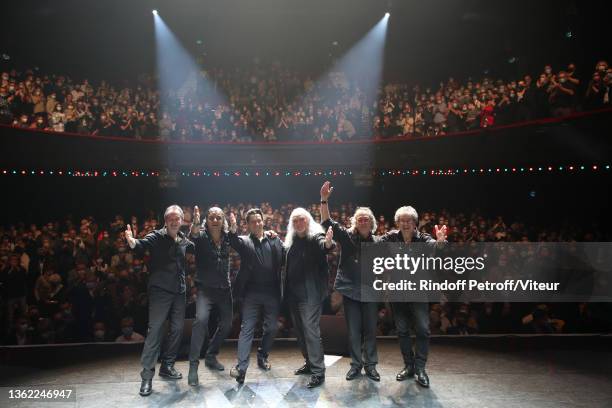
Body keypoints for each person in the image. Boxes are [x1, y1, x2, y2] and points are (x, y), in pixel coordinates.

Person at [125, 205, 194, 397]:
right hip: (160, 291)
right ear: (166, 220)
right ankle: (147, 377)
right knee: (155, 331)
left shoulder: (182, 238)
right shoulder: (156, 236)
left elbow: (198, 247)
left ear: (181, 221)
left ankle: (167, 366)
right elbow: (142, 244)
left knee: (178, 330)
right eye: (170, 218)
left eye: (177, 218)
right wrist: (132, 242)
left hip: (179, 292)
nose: (174, 221)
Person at [319, 181, 381, 382]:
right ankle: (356, 365)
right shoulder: (346, 237)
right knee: (354, 331)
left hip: (371, 290)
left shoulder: (380, 242)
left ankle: (370, 366)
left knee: (370, 330)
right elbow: (327, 222)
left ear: (371, 223)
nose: (363, 221)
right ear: (355, 221)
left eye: (366, 219)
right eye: (360, 219)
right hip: (351, 290)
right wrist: (324, 200)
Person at [380, 206, 447, 388]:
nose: (405, 223)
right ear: (397, 223)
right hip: (397, 291)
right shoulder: (391, 237)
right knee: (402, 330)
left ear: (415, 222)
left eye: (409, 220)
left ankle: (420, 369)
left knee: (423, 329)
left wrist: (440, 242)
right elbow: (372, 242)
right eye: (402, 220)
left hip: (418, 291)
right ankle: (408, 366)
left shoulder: (424, 239)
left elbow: (436, 246)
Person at [228, 209, 285, 384]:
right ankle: (241, 368)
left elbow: (285, 256)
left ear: (263, 221)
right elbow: (232, 241)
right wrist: (232, 228)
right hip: (251, 293)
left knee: (272, 328)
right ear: (248, 225)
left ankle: (262, 355)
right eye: (253, 221)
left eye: (259, 220)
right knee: (247, 329)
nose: (257, 223)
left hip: (271, 292)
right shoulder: (244, 242)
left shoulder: (274, 239)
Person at [284, 207, 334, 388]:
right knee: (300, 331)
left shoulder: (315, 237)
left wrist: (328, 243)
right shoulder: (291, 241)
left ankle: (318, 371)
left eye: (301, 219)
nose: (298, 223)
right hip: (293, 295)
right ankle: (309, 363)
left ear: (308, 221)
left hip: (310, 295)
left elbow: (325, 245)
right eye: (295, 220)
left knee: (311, 331)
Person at [187, 206, 234, 386]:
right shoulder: (201, 237)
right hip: (205, 289)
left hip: (224, 289)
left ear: (223, 221)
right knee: (201, 321)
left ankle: (211, 355)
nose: (215, 220)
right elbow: (193, 235)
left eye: (219, 217)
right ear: (207, 220)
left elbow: (245, 241)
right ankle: (193, 367)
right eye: (212, 217)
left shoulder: (228, 238)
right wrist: (195, 223)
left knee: (227, 324)